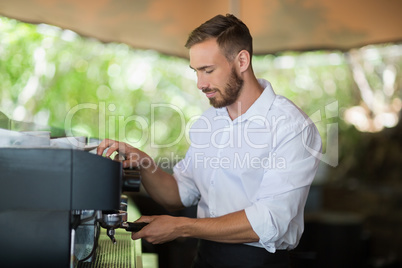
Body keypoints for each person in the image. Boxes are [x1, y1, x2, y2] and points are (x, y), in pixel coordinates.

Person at [97, 14, 322, 268]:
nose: (200, 84)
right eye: (196, 71)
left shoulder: (293, 127)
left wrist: (182, 227)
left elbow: (269, 221)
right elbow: (179, 194)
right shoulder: (210, 120)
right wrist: (143, 162)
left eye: (208, 70)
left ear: (242, 60)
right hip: (205, 258)